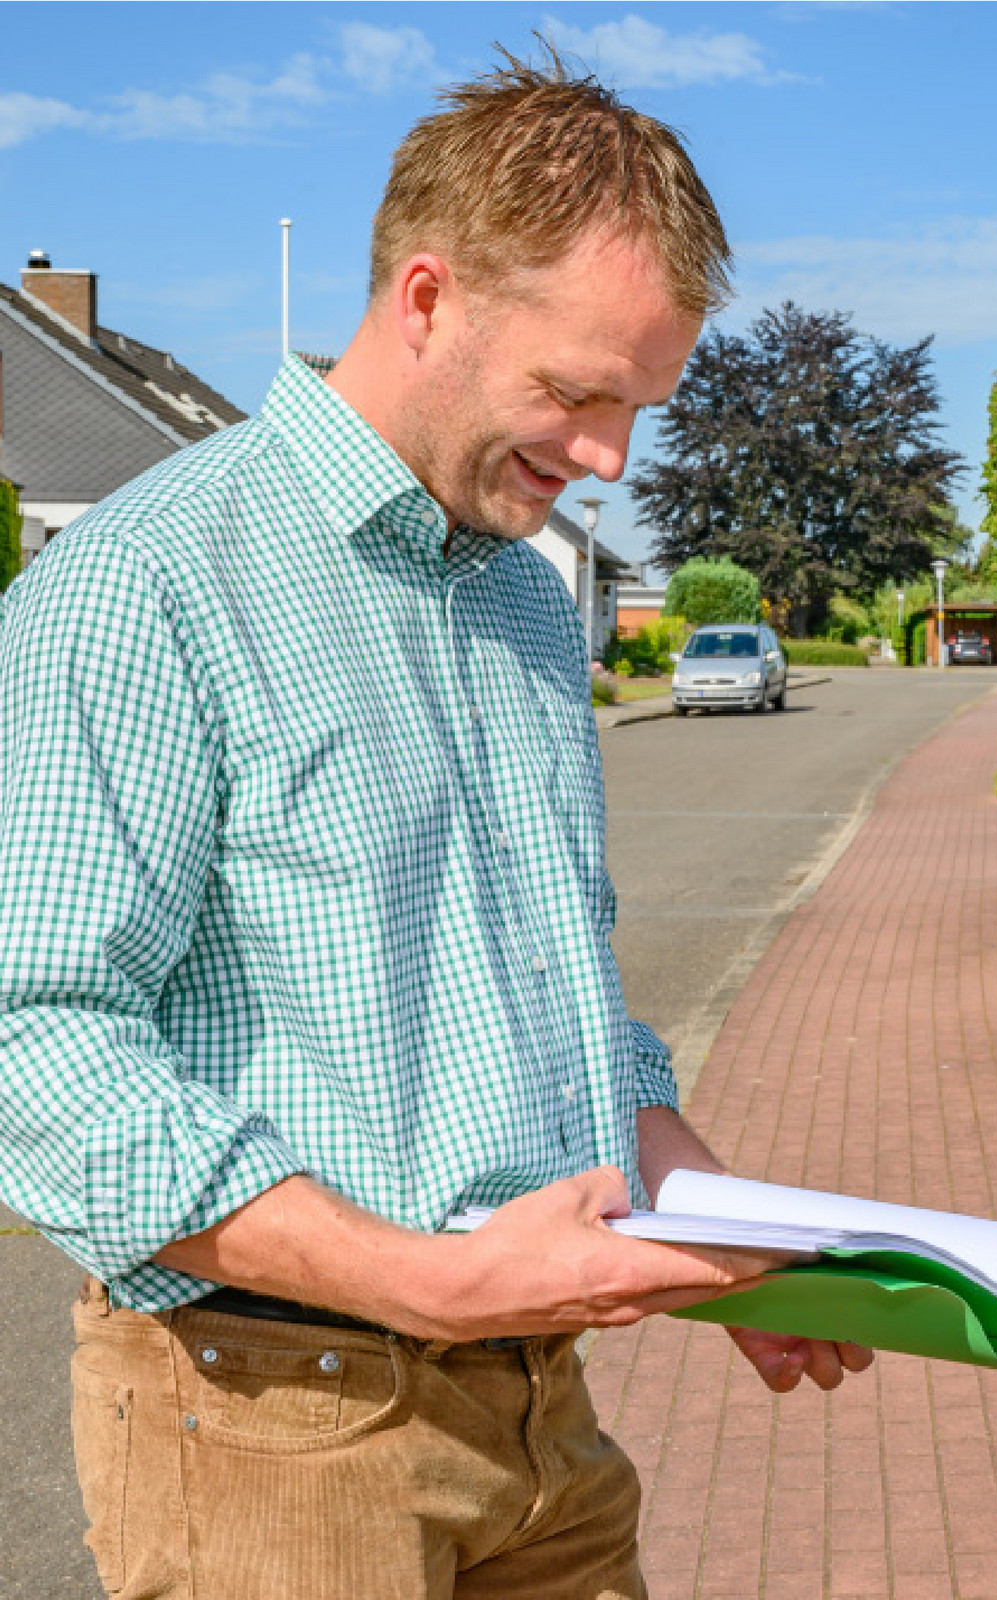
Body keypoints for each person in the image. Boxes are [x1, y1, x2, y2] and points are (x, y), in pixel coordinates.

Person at [0, 47, 868, 1600]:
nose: (608, 456)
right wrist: (432, 1281)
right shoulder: (147, 587)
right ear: (425, 298)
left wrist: (727, 1235)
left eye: (638, 406)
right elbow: (35, 1040)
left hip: (549, 1426)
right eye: (577, 391)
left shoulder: (528, 609)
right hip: (271, 1430)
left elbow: (569, 1013)